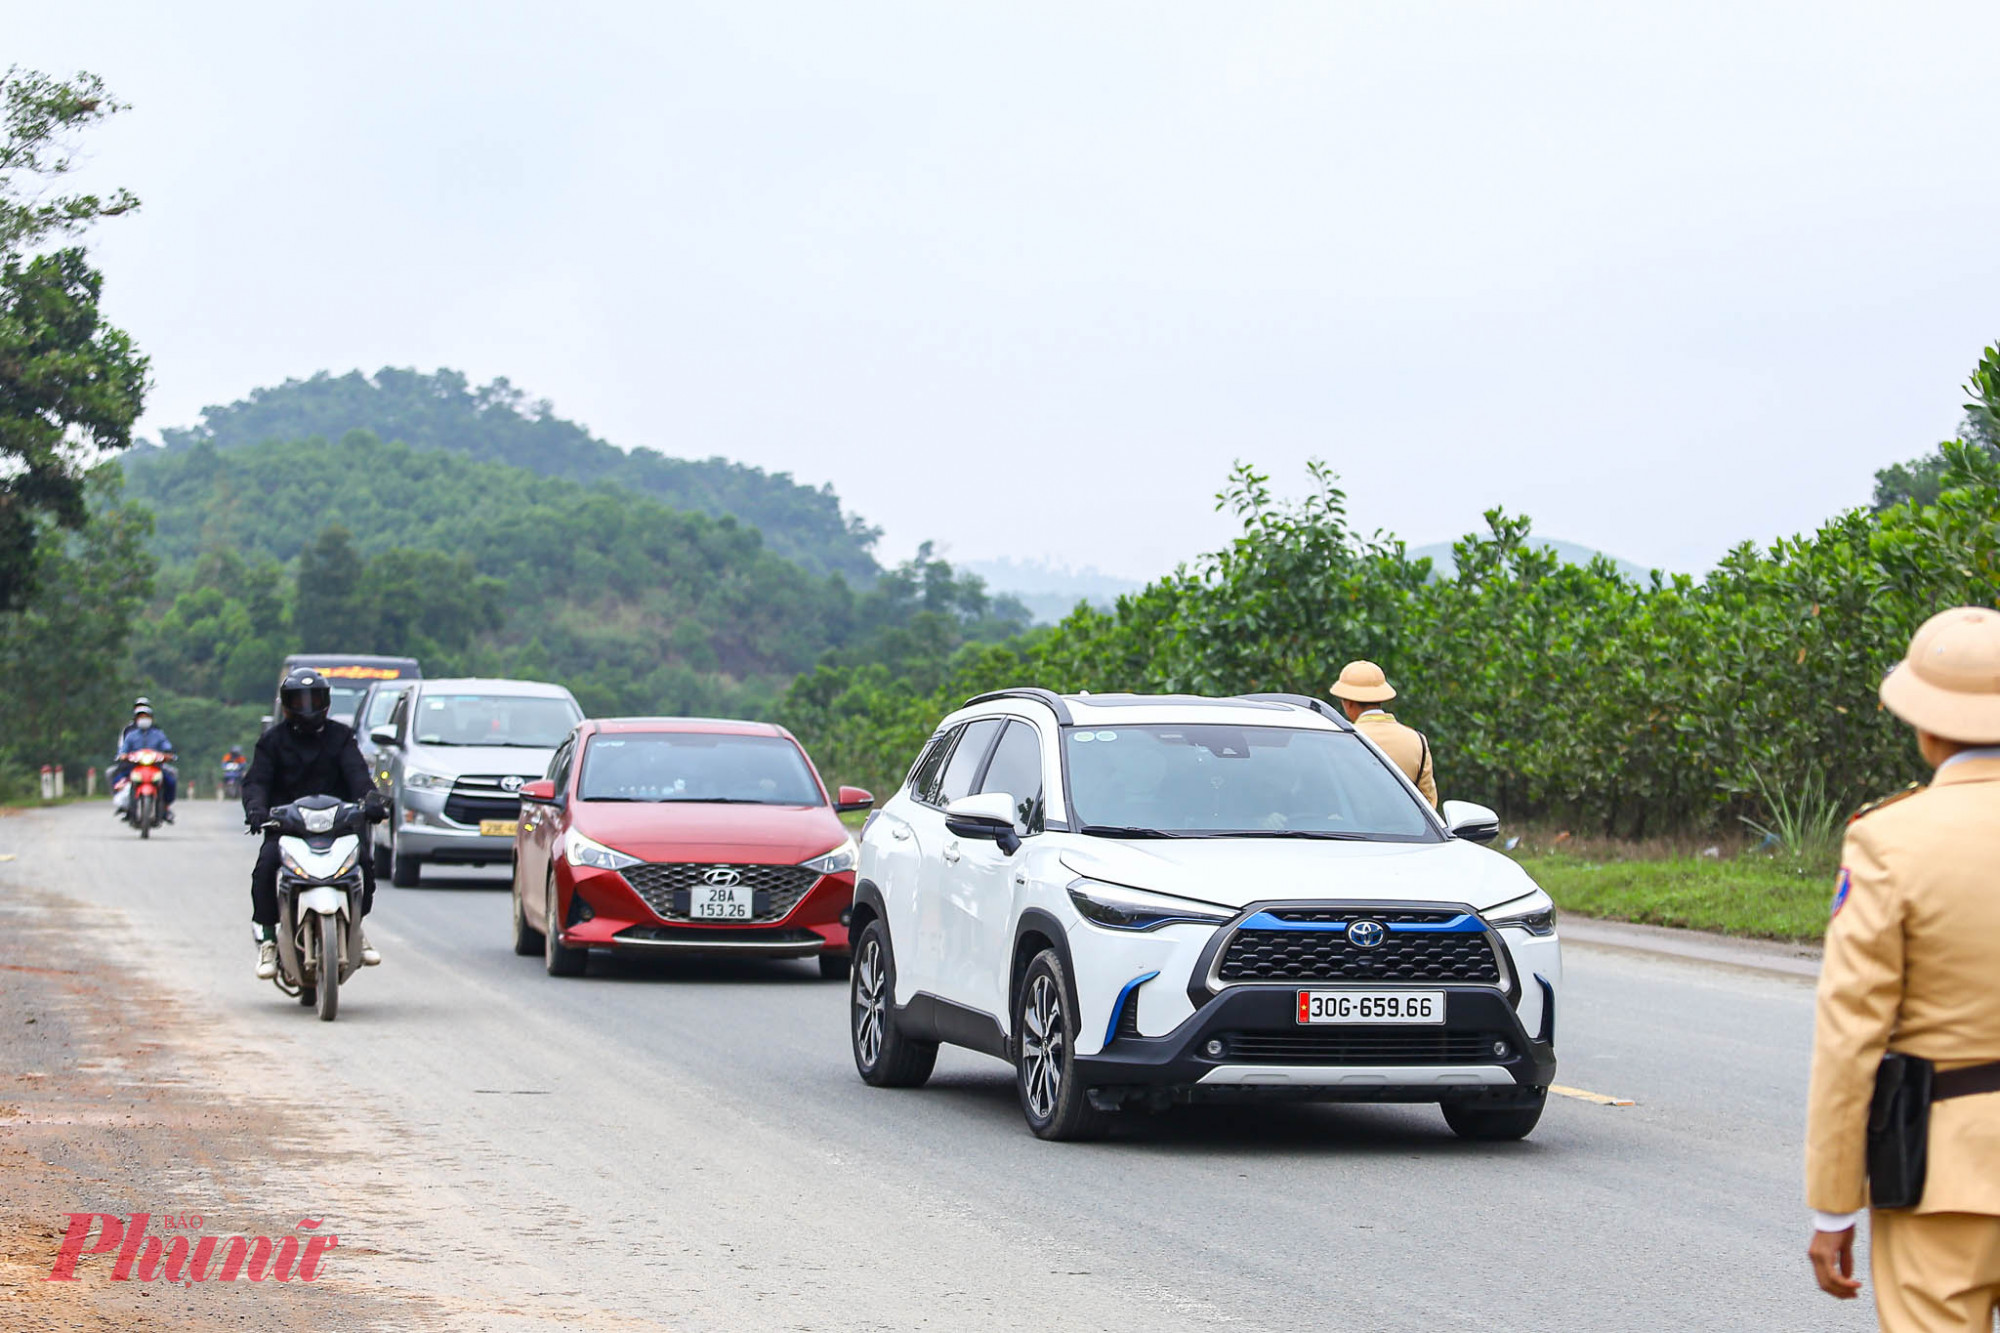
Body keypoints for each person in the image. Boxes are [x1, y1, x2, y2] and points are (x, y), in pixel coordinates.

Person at [1805, 605, 2000, 1330]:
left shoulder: (1889, 840)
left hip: (1942, 1180)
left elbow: (1850, 1033)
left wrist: (1833, 1204)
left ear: (1926, 724)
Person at [242, 667, 387, 979]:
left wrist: (371, 800)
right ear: (286, 704)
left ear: (326, 702)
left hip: (338, 828)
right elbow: (256, 782)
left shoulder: (341, 736)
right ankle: (268, 939)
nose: (307, 708)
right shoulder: (271, 742)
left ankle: (356, 930)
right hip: (286, 828)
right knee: (266, 867)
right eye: (299, 700)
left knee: (363, 863)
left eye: (314, 699)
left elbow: (358, 775)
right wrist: (256, 810)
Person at [1328, 660, 1437, 806]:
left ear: (1348, 703)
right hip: (1404, 828)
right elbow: (1428, 802)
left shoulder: (1337, 740)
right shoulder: (1418, 741)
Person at [111, 700, 179, 820]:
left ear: (151, 718)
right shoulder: (130, 735)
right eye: (141, 717)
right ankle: (125, 807)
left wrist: (168, 754)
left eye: (146, 716)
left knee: (170, 782)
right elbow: (123, 749)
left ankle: (166, 807)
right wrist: (123, 755)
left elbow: (166, 747)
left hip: (155, 767)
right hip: (135, 767)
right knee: (117, 779)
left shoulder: (158, 734)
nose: (144, 719)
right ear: (136, 719)